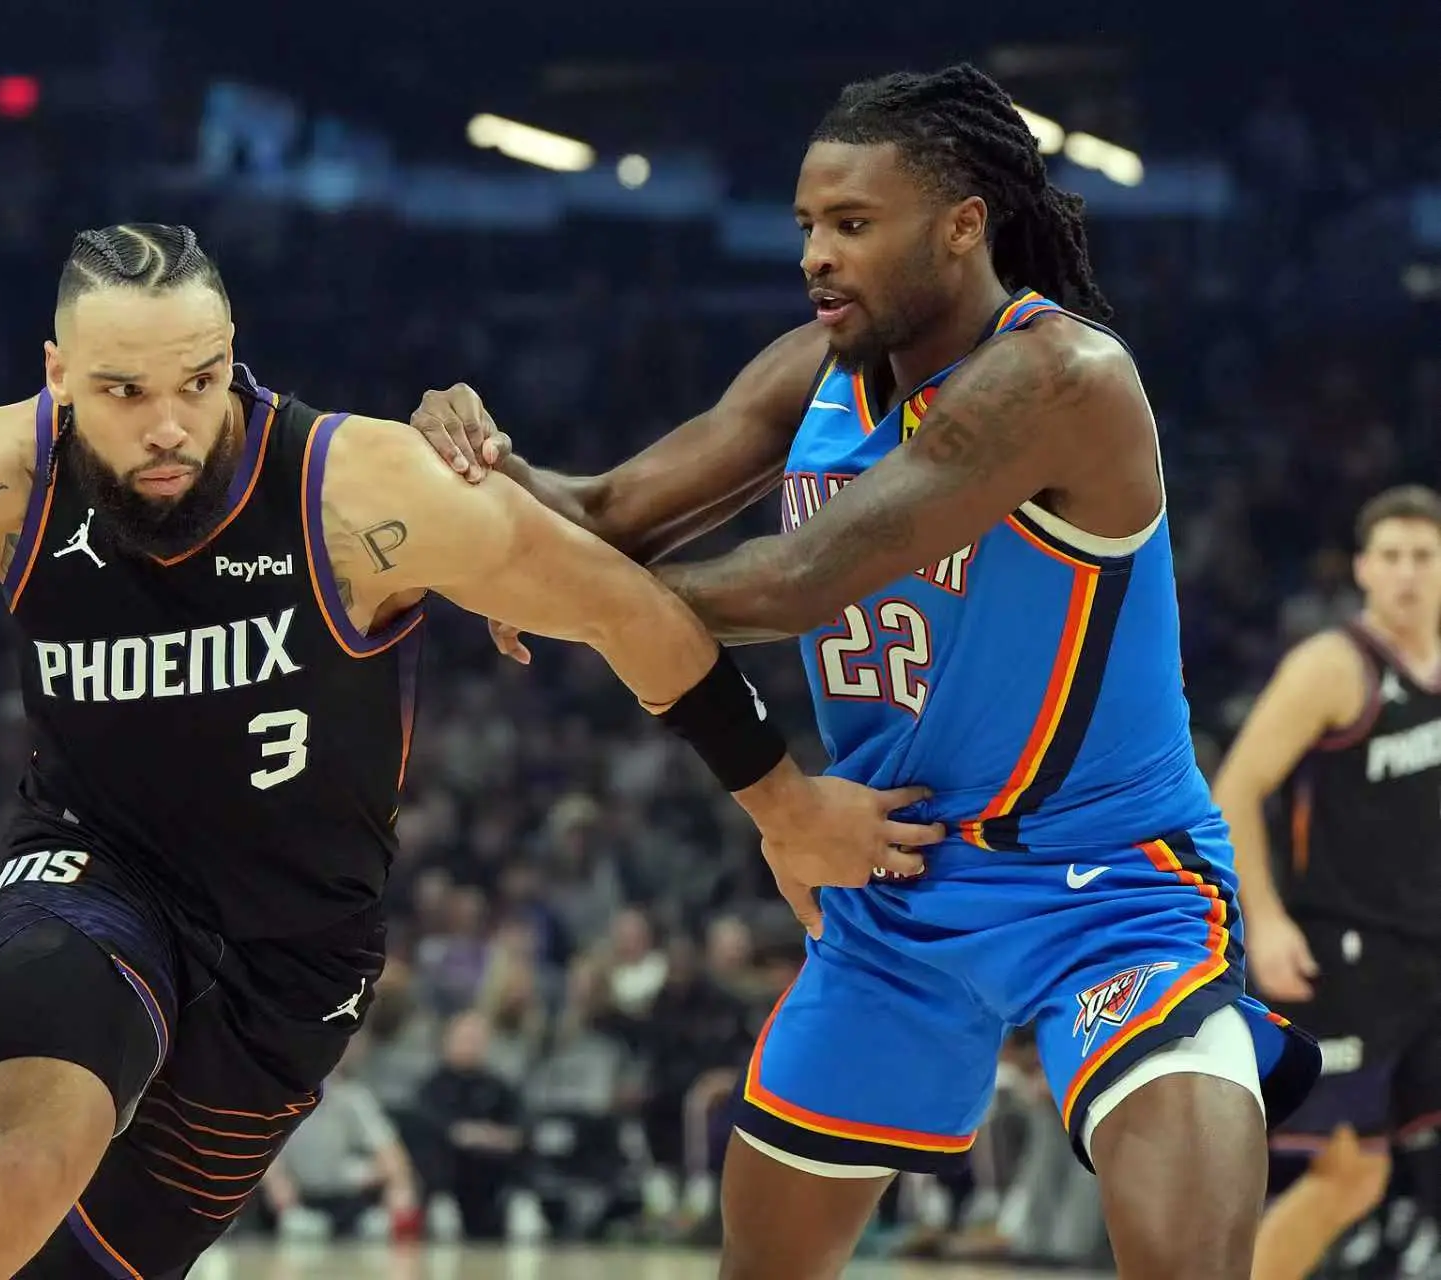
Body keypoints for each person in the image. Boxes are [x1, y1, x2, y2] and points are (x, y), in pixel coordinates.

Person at [0, 223, 939, 1280]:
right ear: (58, 374)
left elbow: (626, 609)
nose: (168, 424)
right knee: (12, 1170)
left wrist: (781, 803)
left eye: (197, 380)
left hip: (296, 956)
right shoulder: (2, 476)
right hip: (90, 873)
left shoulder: (361, 492)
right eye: (123, 392)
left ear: (233, 353)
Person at [409, 63, 1323, 1279]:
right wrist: (471, 471)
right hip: (892, 874)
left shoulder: (1061, 377)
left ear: (961, 225)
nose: (814, 256)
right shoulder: (815, 370)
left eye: (851, 224)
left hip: (1105, 883)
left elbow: (796, 580)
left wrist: (541, 588)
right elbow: (607, 511)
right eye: (806, 225)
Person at [1211, 484, 1441, 1280]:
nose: (1406, 573)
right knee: (1347, 1175)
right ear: (1362, 570)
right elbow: (1234, 790)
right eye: (1390, 557)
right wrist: (1264, 920)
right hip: (1342, 954)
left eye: (1422, 556)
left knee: (1375, 1175)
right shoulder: (1332, 666)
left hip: (1426, 950)